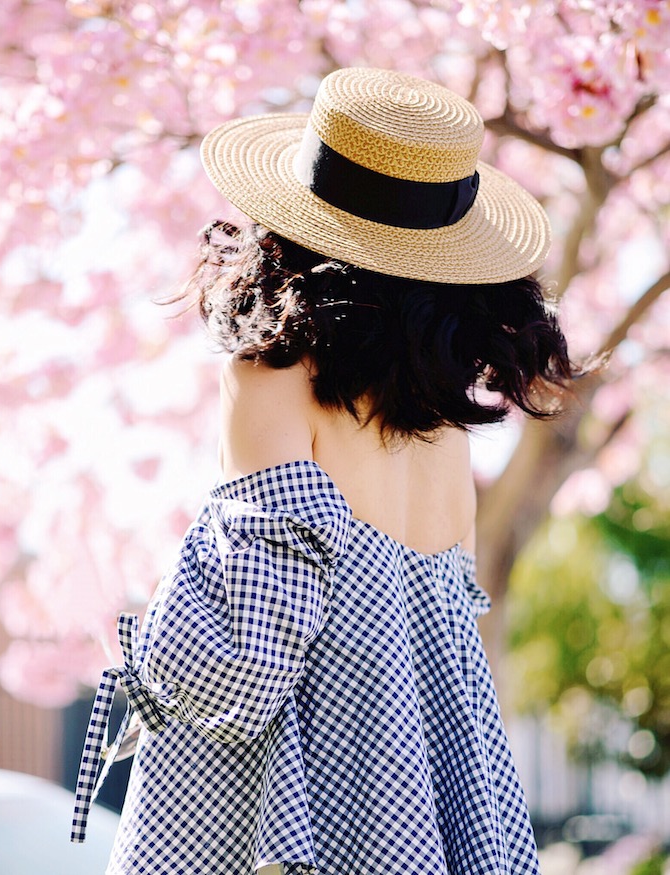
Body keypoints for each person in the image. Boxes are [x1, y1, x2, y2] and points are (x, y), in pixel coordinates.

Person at [72, 67, 574, 874]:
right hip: (435, 795)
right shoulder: (445, 428)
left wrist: (143, 651)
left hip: (320, 800)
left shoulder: (268, 382)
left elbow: (246, 659)